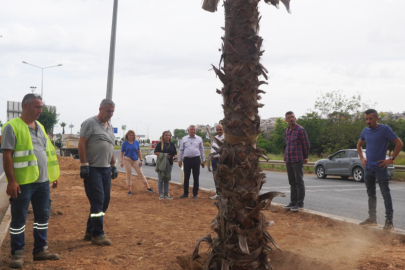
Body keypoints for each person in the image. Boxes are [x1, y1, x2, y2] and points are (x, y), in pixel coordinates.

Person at [1, 93, 60, 268]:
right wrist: (11, 181)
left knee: (42, 216)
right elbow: (7, 156)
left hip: (42, 182)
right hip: (23, 183)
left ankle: (40, 250)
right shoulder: (12, 127)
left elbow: (46, 152)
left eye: (41, 106)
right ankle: (17, 254)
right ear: (25, 106)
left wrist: (53, 176)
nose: (40, 110)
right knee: (19, 219)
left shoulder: (40, 126)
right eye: (37, 107)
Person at [78, 99, 118, 246]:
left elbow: (110, 147)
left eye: (113, 111)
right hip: (93, 169)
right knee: (97, 201)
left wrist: (113, 165)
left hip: (106, 169)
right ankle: (98, 234)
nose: (110, 114)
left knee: (104, 202)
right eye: (108, 111)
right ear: (100, 109)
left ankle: (90, 230)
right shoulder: (90, 123)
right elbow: (81, 144)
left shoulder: (110, 127)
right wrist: (84, 165)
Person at [357, 109, 403, 231]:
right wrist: (362, 157)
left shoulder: (385, 129)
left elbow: (399, 143)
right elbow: (359, 145)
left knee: (385, 195)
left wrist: (391, 159)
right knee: (371, 195)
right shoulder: (365, 131)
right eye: (366, 119)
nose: (368, 121)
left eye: (370, 119)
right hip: (368, 168)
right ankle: (372, 219)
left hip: (381, 168)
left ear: (377, 118)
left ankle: (389, 222)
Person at [283, 111, 310, 212]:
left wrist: (305, 156)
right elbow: (288, 144)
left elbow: (306, 144)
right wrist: (285, 155)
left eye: (292, 117)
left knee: (299, 182)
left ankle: (300, 203)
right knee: (292, 182)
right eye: (289, 117)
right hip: (289, 159)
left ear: (295, 118)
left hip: (297, 159)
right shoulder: (287, 131)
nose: (291, 119)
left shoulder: (300, 130)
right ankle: (293, 202)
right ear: (286, 120)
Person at [120, 130, 154, 195]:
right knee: (128, 174)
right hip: (127, 159)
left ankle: (148, 187)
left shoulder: (136, 142)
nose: (131, 136)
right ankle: (129, 190)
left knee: (140, 173)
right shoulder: (124, 143)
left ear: (134, 136)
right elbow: (121, 153)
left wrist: (141, 160)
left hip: (135, 160)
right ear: (127, 136)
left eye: (132, 135)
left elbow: (139, 151)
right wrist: (121, 161)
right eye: (130, 135)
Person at [178, 125, 205, 199]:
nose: (193, 131)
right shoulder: (184, 139)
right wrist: (179, 160)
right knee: (186, 177)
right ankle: (185, 193)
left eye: (194, 129)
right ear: (188, 130)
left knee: (196, 177)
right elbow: (181, 150)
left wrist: (203, 160)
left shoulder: (199, 139)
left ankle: (195, 193)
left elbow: (202, 150)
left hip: (196, 159)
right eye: (191, 129)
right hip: (187, 160)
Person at [154, 131, 177, 200]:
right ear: (163, 136)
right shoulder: (160, 144)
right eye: (166, 135)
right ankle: (160, 194)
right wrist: (164, 155)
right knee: (161, 179)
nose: (167, 136)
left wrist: (175, 156)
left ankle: (166, 194)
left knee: (167, 179)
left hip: (169, 164)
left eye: (169, 135)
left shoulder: (172, 144)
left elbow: (175, 153)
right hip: (161, 163)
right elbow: (155, 152)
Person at [210, 124, 224, 200]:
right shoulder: (215, 138)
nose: (219, 131)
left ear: (223, 129)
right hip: (214, 160)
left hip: (221, 160)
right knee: (215, 176)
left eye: (220, 129)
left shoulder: (225, 138)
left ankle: (223, 194)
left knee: (222, 177)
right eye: (217, 130)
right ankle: (217, 193)